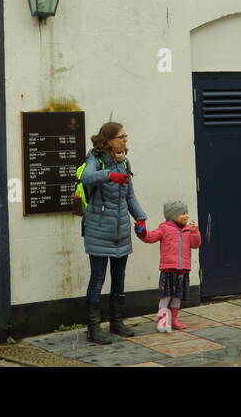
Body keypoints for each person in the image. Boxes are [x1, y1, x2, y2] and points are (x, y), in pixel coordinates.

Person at [80, 122, 147, 345]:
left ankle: (117, 322)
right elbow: (87, 177)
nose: (125, 140)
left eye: (126, 136)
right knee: (98, 279)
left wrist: (141, 218)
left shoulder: (124, 162)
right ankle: (93, 329)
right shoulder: (95, 159)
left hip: (121, 230)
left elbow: (130, 197)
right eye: (121, 136)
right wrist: (109, 174)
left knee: (119, 278)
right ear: (108, 140)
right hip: (99, 230)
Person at [137, 201, 201, 332]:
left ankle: (174, 320)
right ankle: (163, 322)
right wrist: (142, 232)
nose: (187, 216)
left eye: (187, 213)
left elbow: (195, 244)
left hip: (183, 271)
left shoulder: (188, 229)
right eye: (183, 213)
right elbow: (150, 237)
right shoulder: (164, 228)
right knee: (166, 297)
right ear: (173, 215)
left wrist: (195, 232)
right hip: (168, 270)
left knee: (177, 297)